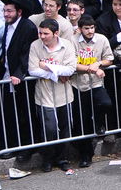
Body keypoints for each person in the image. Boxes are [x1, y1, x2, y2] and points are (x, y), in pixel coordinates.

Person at [27, 18, 77, 172]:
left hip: (64, 94)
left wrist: (46, 66)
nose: (42, 36)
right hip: (44, 95)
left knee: (65, 128)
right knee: (49, 129)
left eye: (46, 34)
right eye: (40, 33)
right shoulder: (35, 45)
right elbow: (32, 70)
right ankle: (47, 159)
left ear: (56, 33)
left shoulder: (66, 45)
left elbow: (70, 69)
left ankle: (62, 158)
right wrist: (55, 73)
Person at [70, 15, 114, 167]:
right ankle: (85, 155)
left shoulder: (101, 39)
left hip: (96, 83)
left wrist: (98, 63)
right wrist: (91, 68)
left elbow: (109, 58)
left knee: (106, 103)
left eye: (92, 28)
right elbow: (72, 63)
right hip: (79, 85)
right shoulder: (73, 41)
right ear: (80, 29)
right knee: (83, 120)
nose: (90, 31)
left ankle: (100, 123)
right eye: (86, 28)